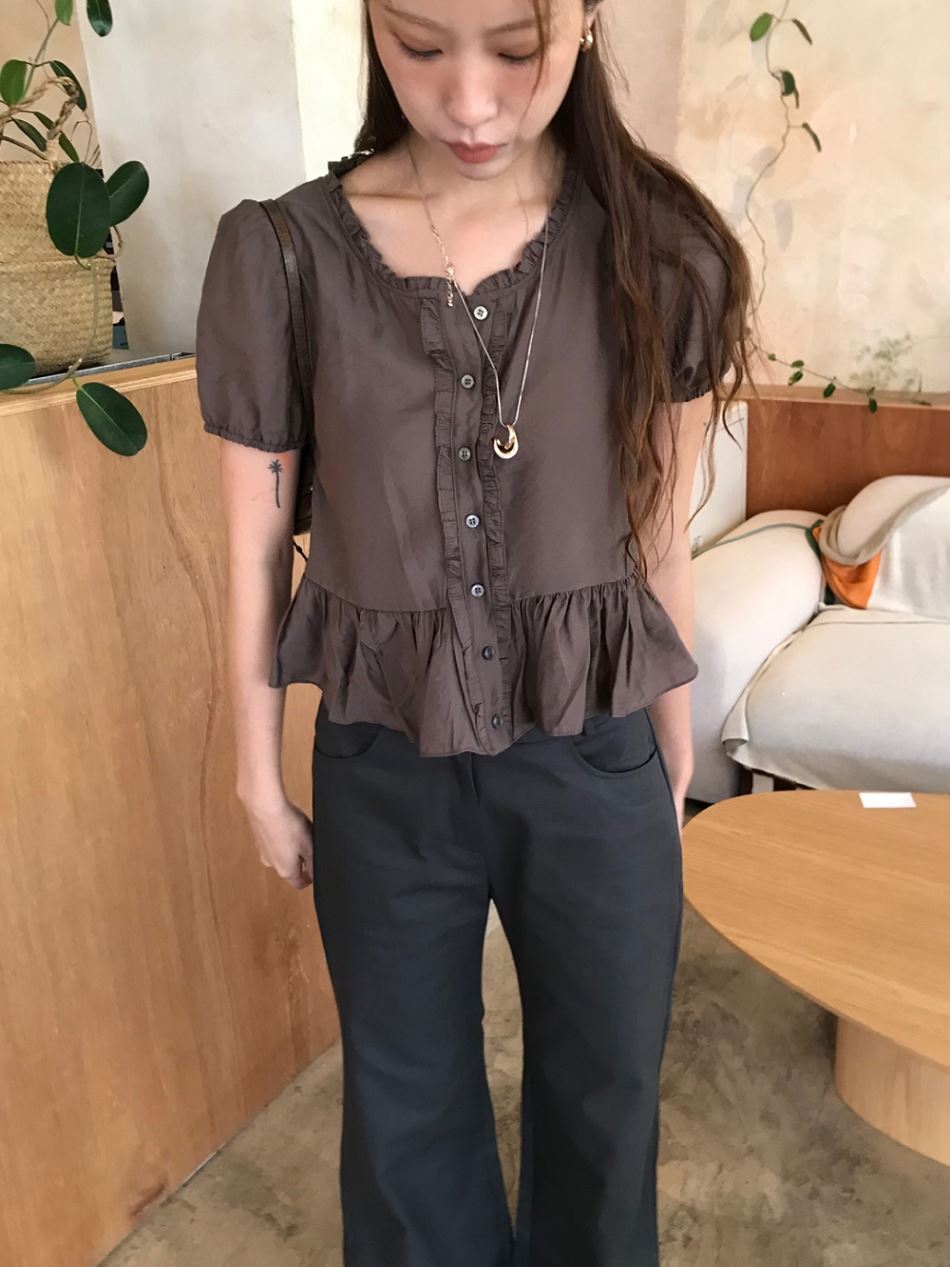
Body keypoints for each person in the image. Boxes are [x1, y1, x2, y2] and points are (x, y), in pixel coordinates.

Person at [195, 1, 757, 1263]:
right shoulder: (282, 254)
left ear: (585, 21)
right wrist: (254, 770)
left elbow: (658, 533)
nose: (468, 101)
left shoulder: (659, 252)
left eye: (515, 49)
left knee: (606, 1098)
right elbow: (253, 544)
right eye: (417, 45)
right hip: (380, 764)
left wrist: (670, 747)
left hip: (595, 751)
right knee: (403, 1116)